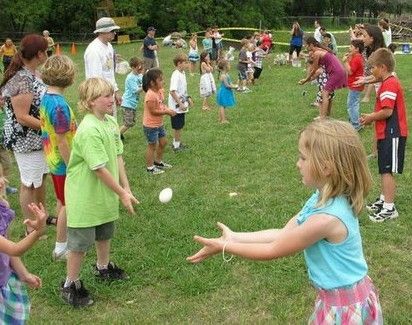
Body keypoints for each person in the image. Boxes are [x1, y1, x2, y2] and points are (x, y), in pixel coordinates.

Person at [187, 118, 383, 325]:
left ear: (326, 168)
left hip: (344, 309)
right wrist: (235, 237)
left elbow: (273, 250)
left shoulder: (326, 220)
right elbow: (283, 233)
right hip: (336, 299)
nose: (297, 164)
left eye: (303, 158)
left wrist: (225, 247)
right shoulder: (321, 197)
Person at [61, 78, 138, 307]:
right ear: (91, 101)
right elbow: (99, 169)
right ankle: (70, 284)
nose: (111, 99)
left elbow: (117, 156)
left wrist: (126, 187)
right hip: (85, 194)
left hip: (105, 192)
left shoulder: (111, 122)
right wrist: (121, 194)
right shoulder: (88, 129)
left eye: (111, 94)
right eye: (105, 96)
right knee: (80, 242)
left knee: (105, 231)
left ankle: (102, 267)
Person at [0, 34, 49, 235]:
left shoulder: (32, 74)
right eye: (46, 50)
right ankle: (31, 227)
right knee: (29, 183)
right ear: (39, 54)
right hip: (26, 141)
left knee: (40, 178)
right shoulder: (22, 78)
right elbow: (22, 117)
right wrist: (50, 128)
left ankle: (41, 219)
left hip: (37, 139)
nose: (47, 53)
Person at [360, 48, 408, 222]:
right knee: (383, 168)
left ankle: (389, 208)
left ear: (382, 67)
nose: (371, 72)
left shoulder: (390, 84)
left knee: (387, 170)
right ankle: (383, 199)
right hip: (386, 132)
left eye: (372, 68)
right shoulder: (387, 81)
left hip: (392, 133)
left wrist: (370, 117)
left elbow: (387, 111)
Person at [39, 55, 77, 261]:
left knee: (62, 201)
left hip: (53, 161)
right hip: (63, 164)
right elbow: (62, 141)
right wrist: (72, 166)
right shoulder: (59, 106)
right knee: (67, 205)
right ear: (68, 77)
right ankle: (61, 248)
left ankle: (62, 240)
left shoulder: (47, 98)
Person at [0, 170, 47, 324]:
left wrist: (23, 273)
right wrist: (38, 232)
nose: (1, 182)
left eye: (0, 176)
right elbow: (15, 249)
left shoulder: (1, 208)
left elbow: (7, 250)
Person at [299, 37, 347, 119]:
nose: (305, 47)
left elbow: (314, 69)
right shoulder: (320, 51)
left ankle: (323, 118)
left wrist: (306, 80)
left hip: (336, 72)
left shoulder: (317, 53)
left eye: (306, 45)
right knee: (327, 93)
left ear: (311, 45)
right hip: (338, 71)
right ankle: (326, 116)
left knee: (324, 93)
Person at [142, 69, 176, 175]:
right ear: (152, 83)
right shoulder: (150, 95)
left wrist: (167, 109)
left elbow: (161, 104)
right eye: (160, 80)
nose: (163, 82)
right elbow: (153, 111)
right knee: (152, 145)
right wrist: (166, 112)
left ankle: (158, 162)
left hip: (159, 124)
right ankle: (150, 167)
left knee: (163, 142)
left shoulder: (160, 91)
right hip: (150, 125)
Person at [84, 17, 122, 110]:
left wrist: (115, 91)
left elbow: (110, 73)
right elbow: (96, 79)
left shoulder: (109, 46)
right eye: (112, 30)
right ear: (102, 32)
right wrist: (104, 99)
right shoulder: (94, 50)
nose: (115, 33)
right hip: (99, 97)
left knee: (112, 123)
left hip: (109, 94)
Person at [168, 53, 193, 152]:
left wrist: (188, 98)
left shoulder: (182, 73)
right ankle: (176, 147)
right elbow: (172, 91)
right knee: (178, 126)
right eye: (185, 62)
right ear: (179, 64)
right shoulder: (176, 75)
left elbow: (182, 91)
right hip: (176, 107)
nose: (187, 64)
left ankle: (176, 142)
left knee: (180, 125)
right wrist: (181, 104)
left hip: (181, 105)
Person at [342, 39, 365, 131]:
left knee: (352, 104)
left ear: (357, 49)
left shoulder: (357, 58)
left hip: (355, 85)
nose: (349, 48)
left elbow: (350, 72)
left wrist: (345, 62)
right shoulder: (356, 57)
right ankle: (354, 121)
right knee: (353, 103)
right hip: (355, 85)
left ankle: (355, 125)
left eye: (351, 47)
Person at [120, 57, 144, 139]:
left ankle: (119, 134)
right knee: (128, 123)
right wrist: (145, 86)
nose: (140, 68)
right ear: (133, 67)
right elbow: (136, 91)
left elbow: (143, 80)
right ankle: (116, 136)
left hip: (132, 104)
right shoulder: (130, 78)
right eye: (138, 66)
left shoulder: (139, 75)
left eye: (141, 66)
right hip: (127, 103)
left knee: (131, 122)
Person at [360, 24, 385, 103]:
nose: (362, 39)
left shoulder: (380, 54)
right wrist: (365, 79)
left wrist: (365, 80)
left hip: (386, 89)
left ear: (372, 38)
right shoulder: (370, 51)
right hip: (380, 90)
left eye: (364, 36)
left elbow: (381, 76)